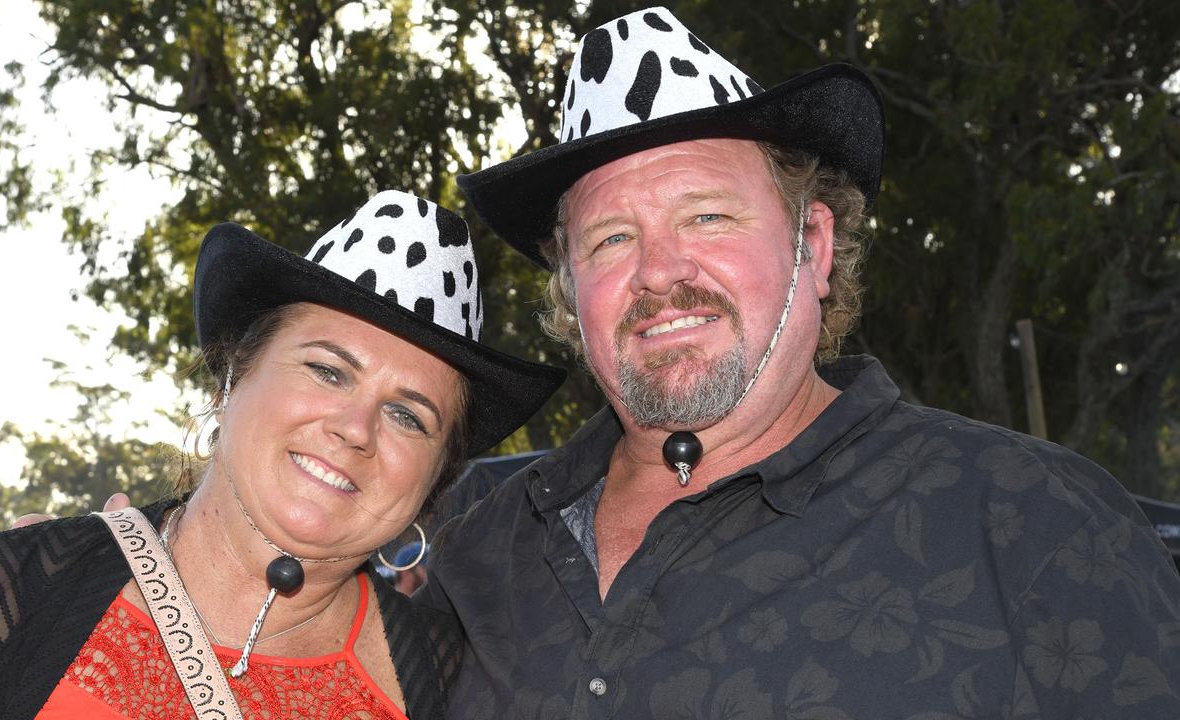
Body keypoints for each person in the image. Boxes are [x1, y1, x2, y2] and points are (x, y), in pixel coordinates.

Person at [425, 7, 1180, 718]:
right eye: (611, 239)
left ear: (812, 247)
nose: (658, 271)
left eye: (707, 215)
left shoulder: (1041, 528)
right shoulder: (476, 550)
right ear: (571, 291)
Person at [0, 191, 564, 719]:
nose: (357, 428)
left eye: (407, 415)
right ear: (233, 375)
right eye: (329, 371)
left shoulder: (460, 690)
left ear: (434, 479)